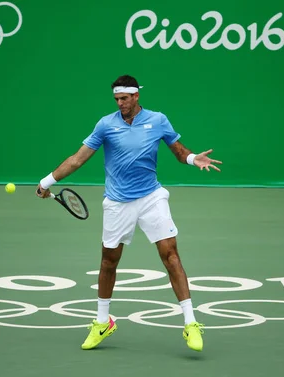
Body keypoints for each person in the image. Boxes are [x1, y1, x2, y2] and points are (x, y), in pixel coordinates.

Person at [36, 75, 222, 352]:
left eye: (124, 98)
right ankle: (102, 322)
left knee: (170, 255)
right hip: (117, 203)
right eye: (116, 99)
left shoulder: (158, 119)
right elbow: (78, 158)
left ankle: (190, 322)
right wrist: (47, 181)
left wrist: (195, 159)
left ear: (136, 96)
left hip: (151, 197)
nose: (120, 103)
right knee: (109, 261)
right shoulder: (105, 124)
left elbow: (178, 150)